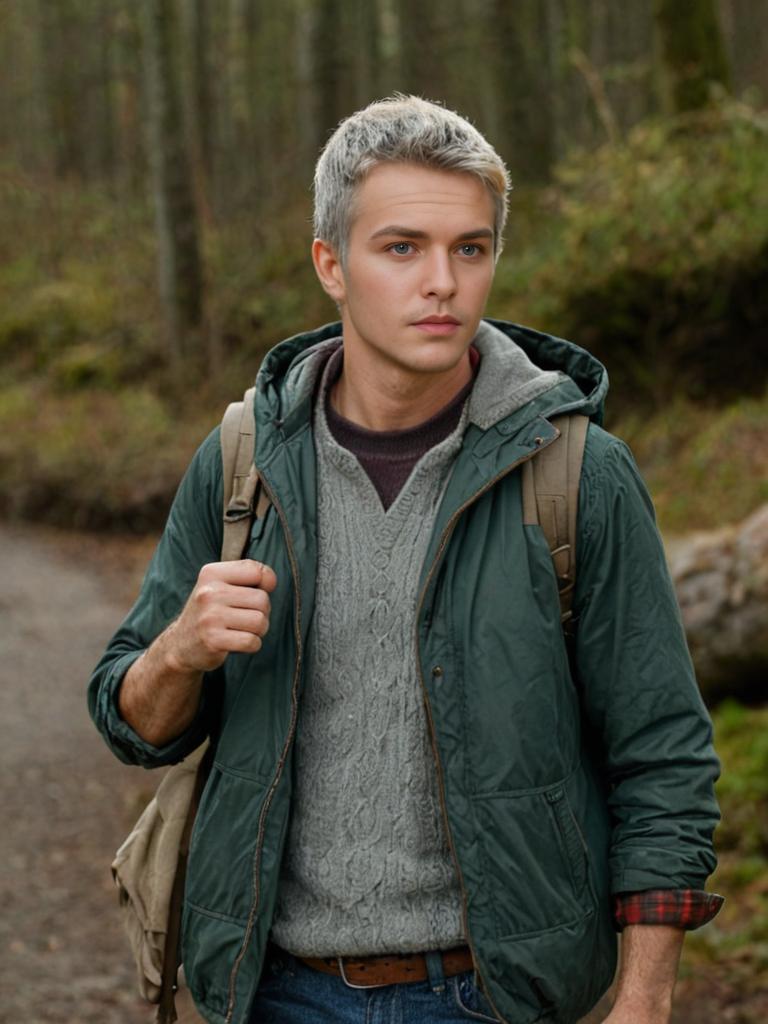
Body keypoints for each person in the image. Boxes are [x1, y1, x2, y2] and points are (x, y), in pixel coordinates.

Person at [89, 95, 722, 1024]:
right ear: (330, 265)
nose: (444, 283)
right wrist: (179, 650)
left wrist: (644, 999)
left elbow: (662, 754)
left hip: (492, 997)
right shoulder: (241, 463)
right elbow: (130, 722)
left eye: (470, 249)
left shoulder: (578, 474)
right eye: (402, 248)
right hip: (272, 993)